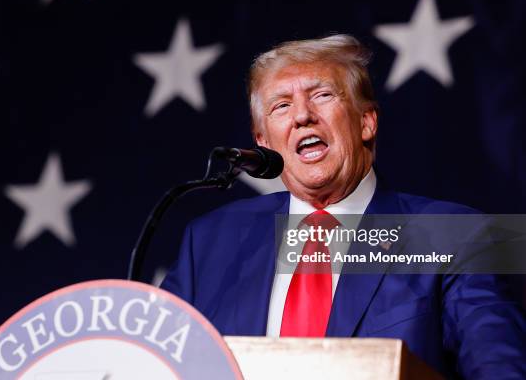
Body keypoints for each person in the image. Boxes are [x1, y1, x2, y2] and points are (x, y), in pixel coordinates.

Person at [161, 34, 525, 378]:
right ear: (262, 141)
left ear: (367, 122)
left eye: (321, 95)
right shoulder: (209, 242)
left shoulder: (451, 235)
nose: (302, 116)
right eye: (281, 105)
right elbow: (157, 364)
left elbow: (499, 368)